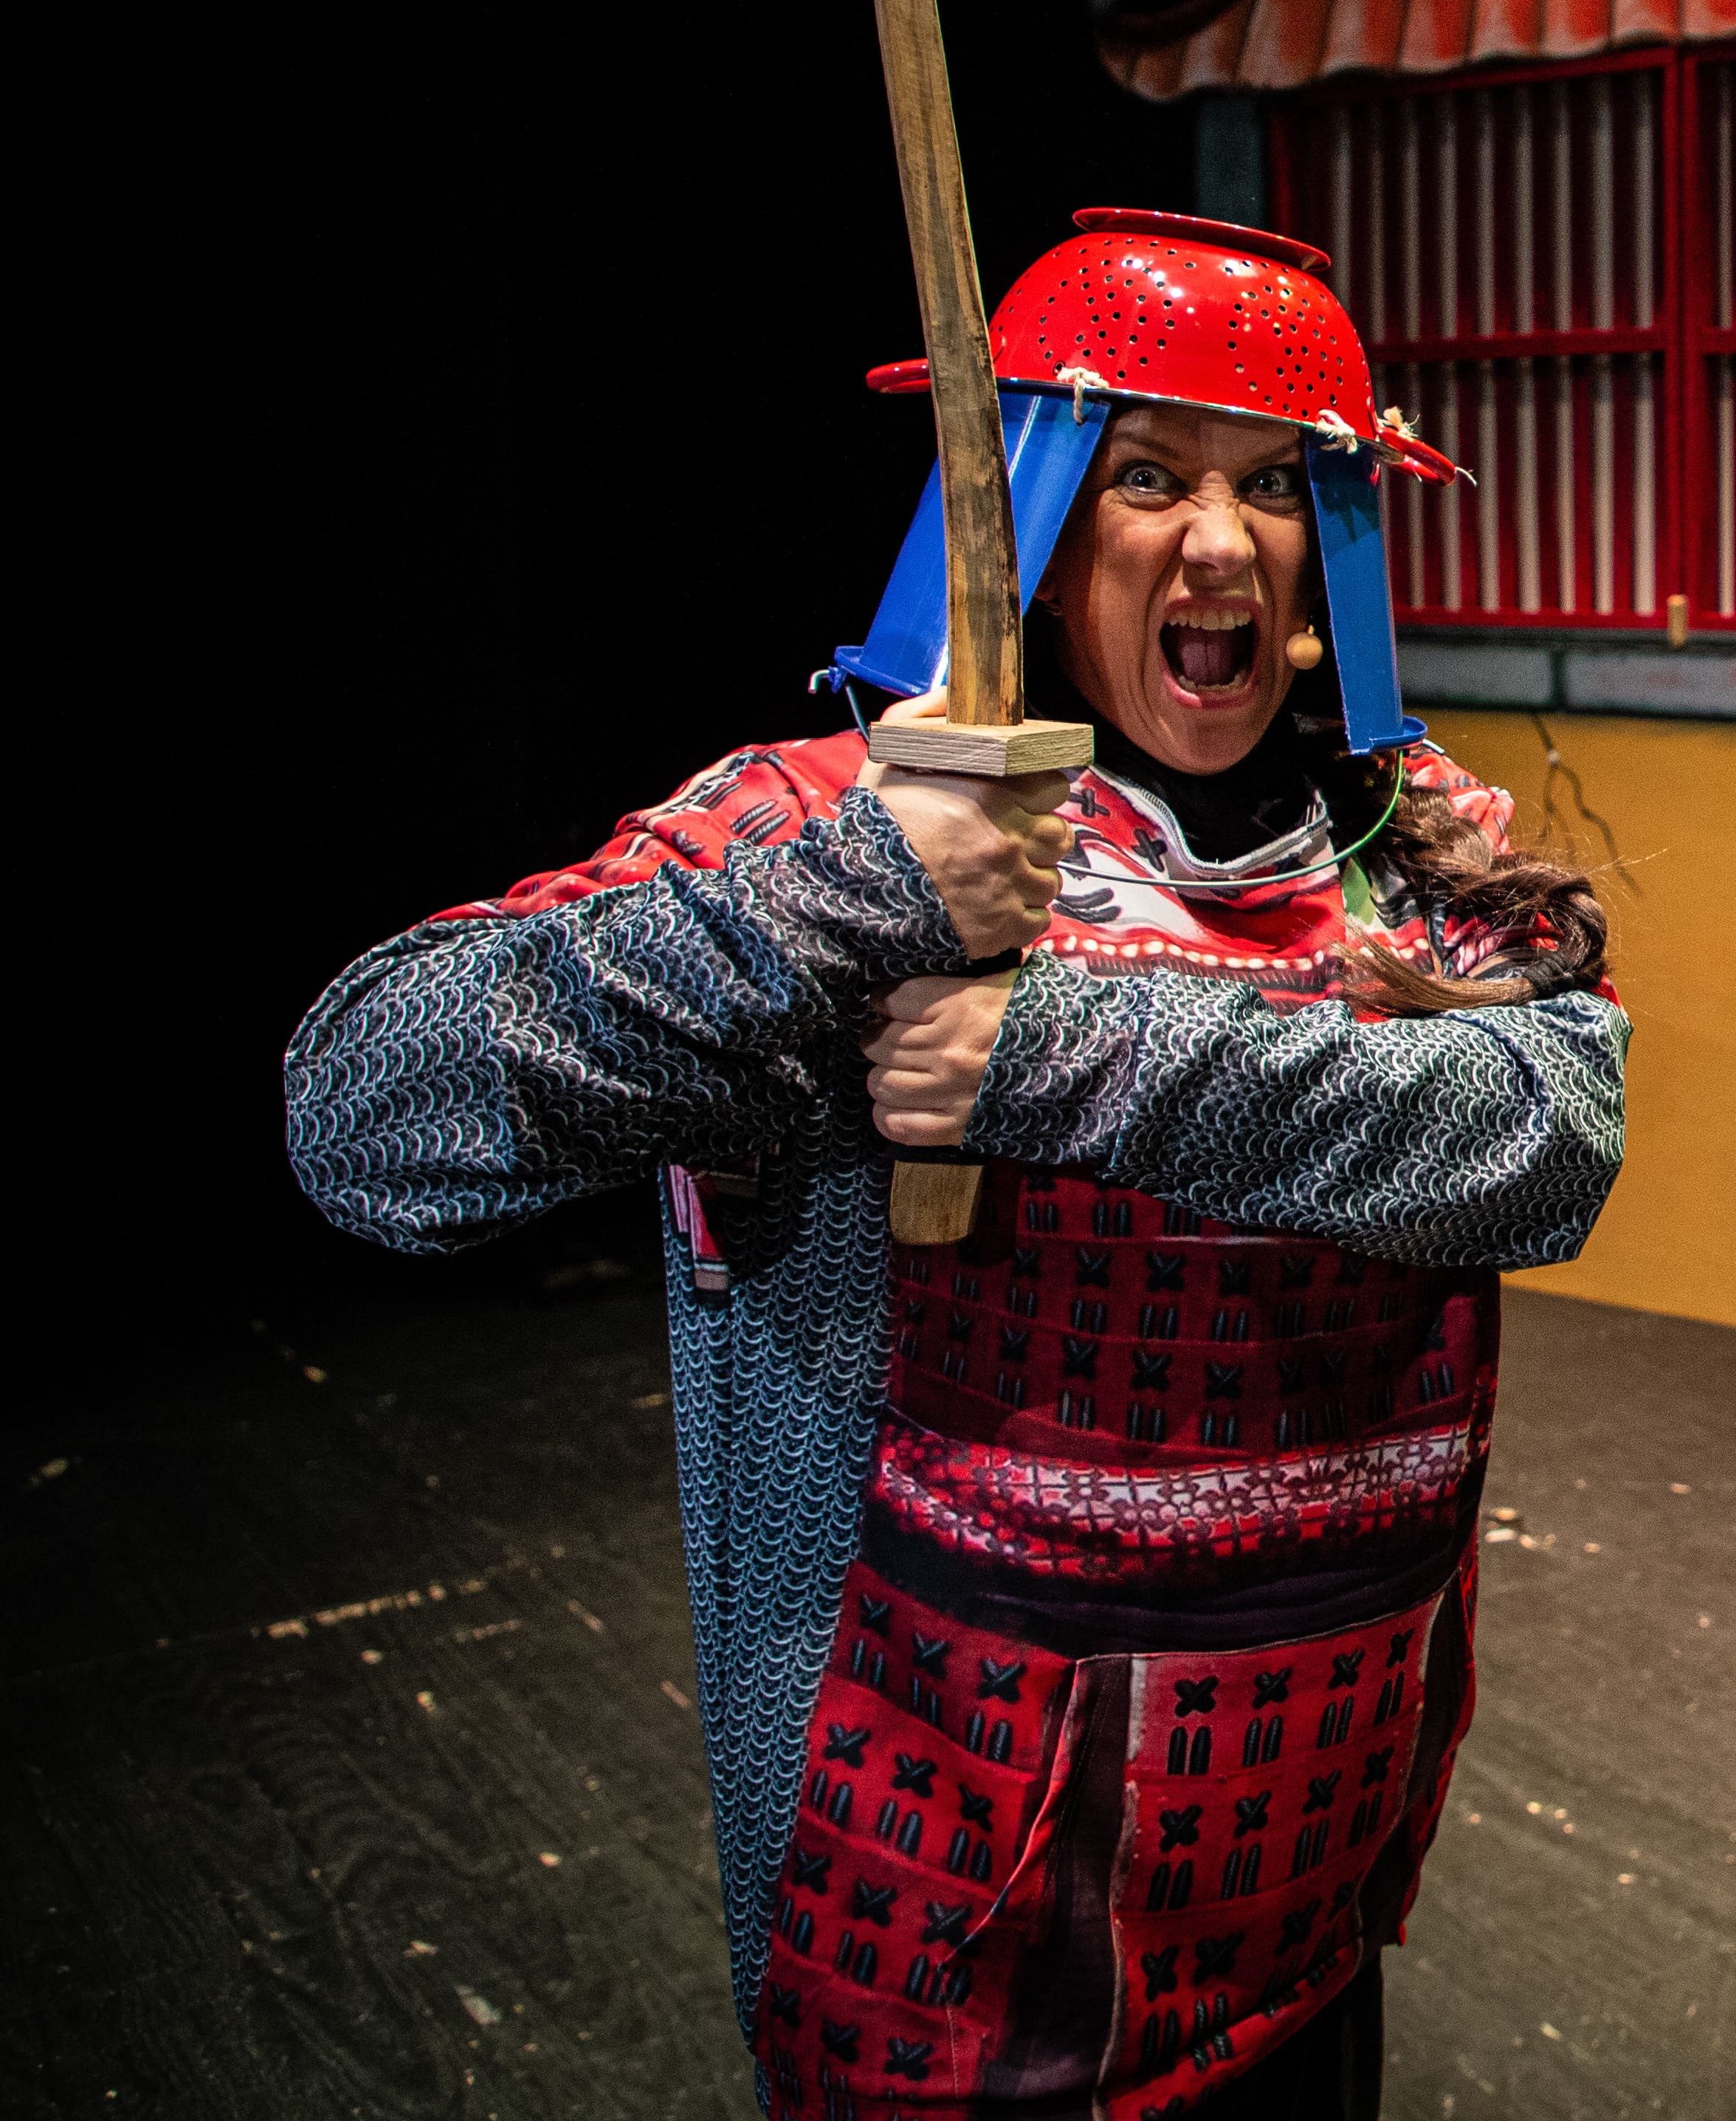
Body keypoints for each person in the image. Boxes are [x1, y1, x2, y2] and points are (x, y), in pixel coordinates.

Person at [285, 210, 1624, 2120]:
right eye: (1148, 475)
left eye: (1270, 484)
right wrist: (839, 906)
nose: (1221, 544)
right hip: (939, 1928)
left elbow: (1549, 1139)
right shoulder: (829, 833)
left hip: (1306, 1888)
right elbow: (366, 1113)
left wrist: (1056, 1057)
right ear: (1032, 521)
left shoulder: (1414, 850)